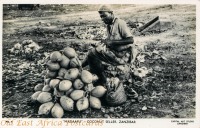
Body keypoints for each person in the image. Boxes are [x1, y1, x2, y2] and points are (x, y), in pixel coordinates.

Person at [82, 5, 135, 85]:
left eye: (104, 16)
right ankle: (80, 67)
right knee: (92, 52)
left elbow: (131, 40)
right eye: (101, 17)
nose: (102, 19)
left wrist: (111, 42)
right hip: (116, 51)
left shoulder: (120, 23)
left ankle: (102, 80)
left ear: (111, 13)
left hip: (123, 54)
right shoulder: (108, 25)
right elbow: (112, 41)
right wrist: (105, 42)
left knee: (92, 54)